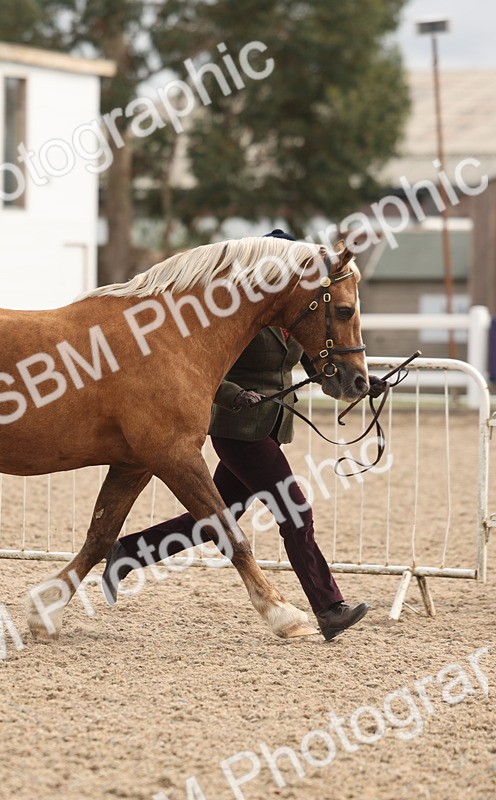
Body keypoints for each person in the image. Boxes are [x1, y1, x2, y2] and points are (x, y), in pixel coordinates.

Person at [101, 231, 380, 639]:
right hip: (239, 430)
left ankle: (127, 553)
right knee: (296, 513)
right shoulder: (244, 318)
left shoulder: (293, 317)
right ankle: (329, 607)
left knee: (215, 518)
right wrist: (234, 395)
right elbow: (204, 370)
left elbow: (322, 369)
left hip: (268, 425)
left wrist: (363, 383)